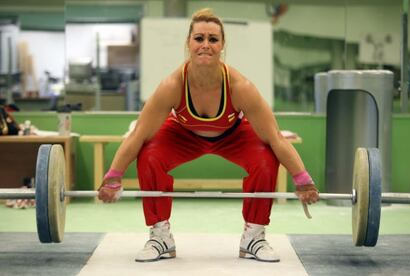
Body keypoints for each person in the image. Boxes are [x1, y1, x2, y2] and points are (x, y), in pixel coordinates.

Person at [98, 8, 319, 263]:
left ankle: (254, 237)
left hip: (232, 135)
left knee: (266, 157)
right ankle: (160, 236)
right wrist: (112, 177)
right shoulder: (172, 85)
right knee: (148, 154)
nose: (206, 45)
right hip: (183, 134)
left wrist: (302, 180)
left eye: (213, 39)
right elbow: (138, 135)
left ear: (222, 45)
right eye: (199, 38)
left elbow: (276, 138)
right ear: (188, 43)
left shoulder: (240, 86)